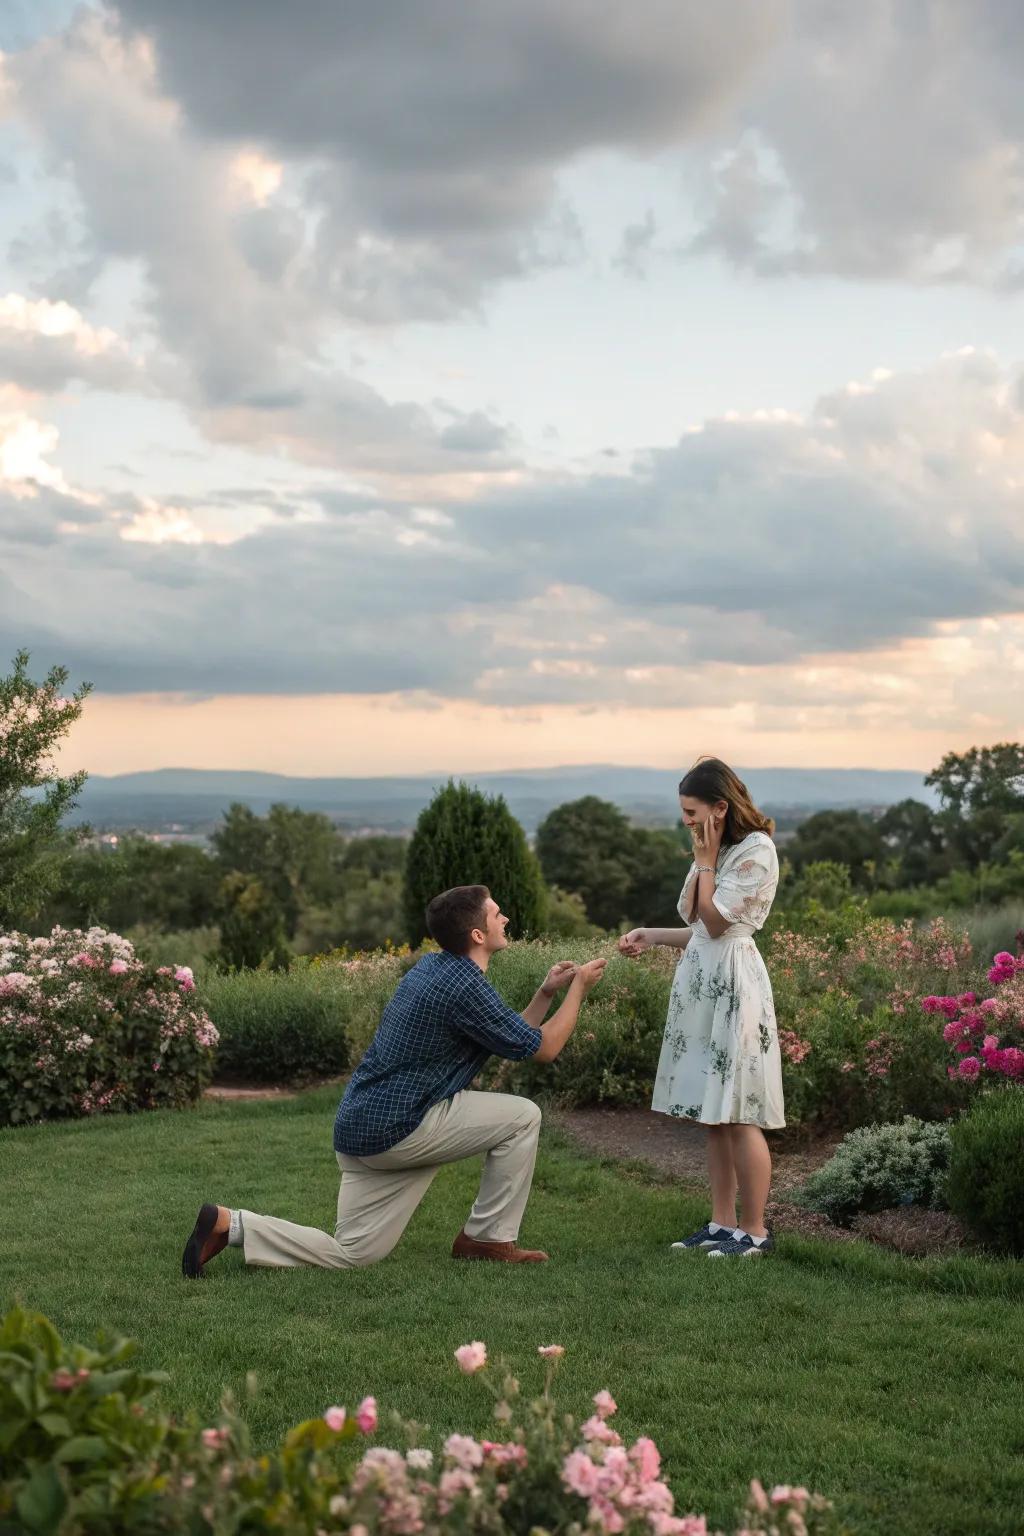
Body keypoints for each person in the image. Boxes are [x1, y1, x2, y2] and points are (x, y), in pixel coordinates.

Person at [182, 885, 606, 1276]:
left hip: (360, 1128)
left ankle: (229, 1224)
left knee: (353, 1253)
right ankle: (488, 1240)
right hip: (402, 1128)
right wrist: (579, 989)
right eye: (497, 914)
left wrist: (546, 992)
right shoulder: (463, 987)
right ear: (478, 935)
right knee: (523, 1116)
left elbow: (514, 1039)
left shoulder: (434, 969)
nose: (505, 919)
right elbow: (545, 1049)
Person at [619, 758, 782, 1258]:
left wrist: (707, 861)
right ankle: (722, 1222)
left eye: (692, 812)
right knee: (713, 1115)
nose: (686, 821)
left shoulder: (756, 852)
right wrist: (652, 936)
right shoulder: (715, 849)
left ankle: (754, 1232)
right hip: (703, 980)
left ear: (720, 807)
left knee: (739, 1111)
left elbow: (717, 926)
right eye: (684, 813)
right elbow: (697, 929)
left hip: (734, 983)